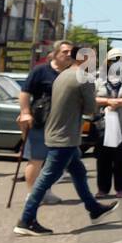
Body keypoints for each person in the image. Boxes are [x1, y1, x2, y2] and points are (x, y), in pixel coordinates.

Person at [14, 45, 119, 236]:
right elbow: (90, 109)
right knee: (45, 179)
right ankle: (26, 220)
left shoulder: (62, 74)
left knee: (78, 172)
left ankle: (93, 209)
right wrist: (102, 103)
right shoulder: (83, 77)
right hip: (65, 136)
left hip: (56, 131)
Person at [17, 40, 74, 205]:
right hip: (41, 121)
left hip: (63, 124)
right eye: (65, 52)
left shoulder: (71, 73)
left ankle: (46, 191)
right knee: (36, 158)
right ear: (55, 54)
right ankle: (33, 193)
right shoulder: (41, 70)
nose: (69, 55)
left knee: (57, 161)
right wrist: (25, 113)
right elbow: (25, 93)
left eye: (72, 52)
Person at [95, 48, 122, 197]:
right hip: (103, 123)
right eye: (113, 60)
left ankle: (120, 187)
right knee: (103, 157)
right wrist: (107, 101)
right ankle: (103, 188)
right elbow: (91, 98)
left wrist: (118, 102)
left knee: (121, 157)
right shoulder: (98, 78)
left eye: (119, 59)